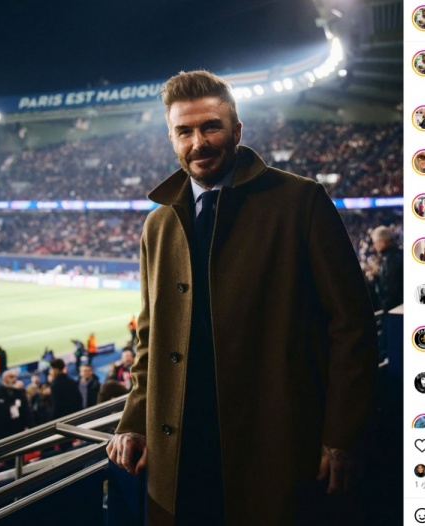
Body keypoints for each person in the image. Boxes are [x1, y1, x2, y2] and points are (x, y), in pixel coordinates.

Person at [107, 70, 377, 526]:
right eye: (184, 131)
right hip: (182, 450)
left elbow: (352, 326)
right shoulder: (159, 224)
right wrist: (134, 420)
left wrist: (341, 436)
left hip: (274, 444)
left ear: (236, 130)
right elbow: (151, 338)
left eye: (211, 127)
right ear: (171, 138)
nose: (198, 143)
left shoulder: (301, 202)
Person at [0, 370, 32, 445]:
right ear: (3, 379)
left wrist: (30, 426)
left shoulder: (20, 394)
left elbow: (26, 412)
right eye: (11, 377)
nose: (14, 379)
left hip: (16, 435)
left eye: (15, 377)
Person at [370, 226, 403, 312]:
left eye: (375, 242)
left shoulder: (391, 260)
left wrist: (374, 278)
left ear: (382, 242)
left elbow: (389, 289)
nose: (374, 246)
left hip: (394, 310)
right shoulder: (398, 255)